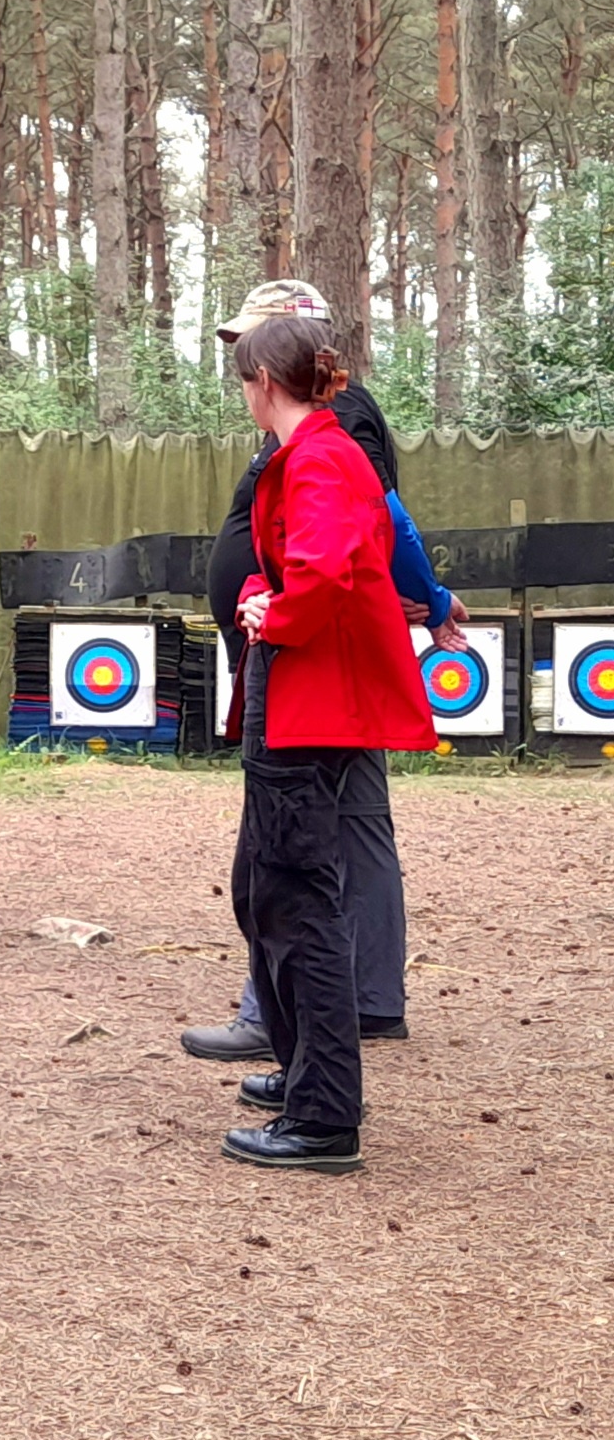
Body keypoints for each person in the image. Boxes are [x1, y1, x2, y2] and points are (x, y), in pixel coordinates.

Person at [182, 281, 468, 1063]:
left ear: (288, 353)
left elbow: (374, 523)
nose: (241, 367)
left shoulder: (332, 425)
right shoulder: (309, 426)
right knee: (334, 830)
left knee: (291, 849)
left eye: (250, 348)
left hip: (314, 662)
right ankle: (355, 1003)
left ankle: (283, 1019)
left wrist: (429, 597)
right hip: (306, 654)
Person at [219, 316, 436, 1172]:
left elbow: (321, 575)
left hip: (309, 703)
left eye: (244, 380)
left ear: (266, 383)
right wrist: (258, 591)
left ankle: (322, 1113)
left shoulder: (319, 457)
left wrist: (274, 612)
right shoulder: (312, 454)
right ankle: (306, 1071)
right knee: (264, 888)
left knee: (294, 895)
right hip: (301, 695)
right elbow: (287, 567)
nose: (243, 395)